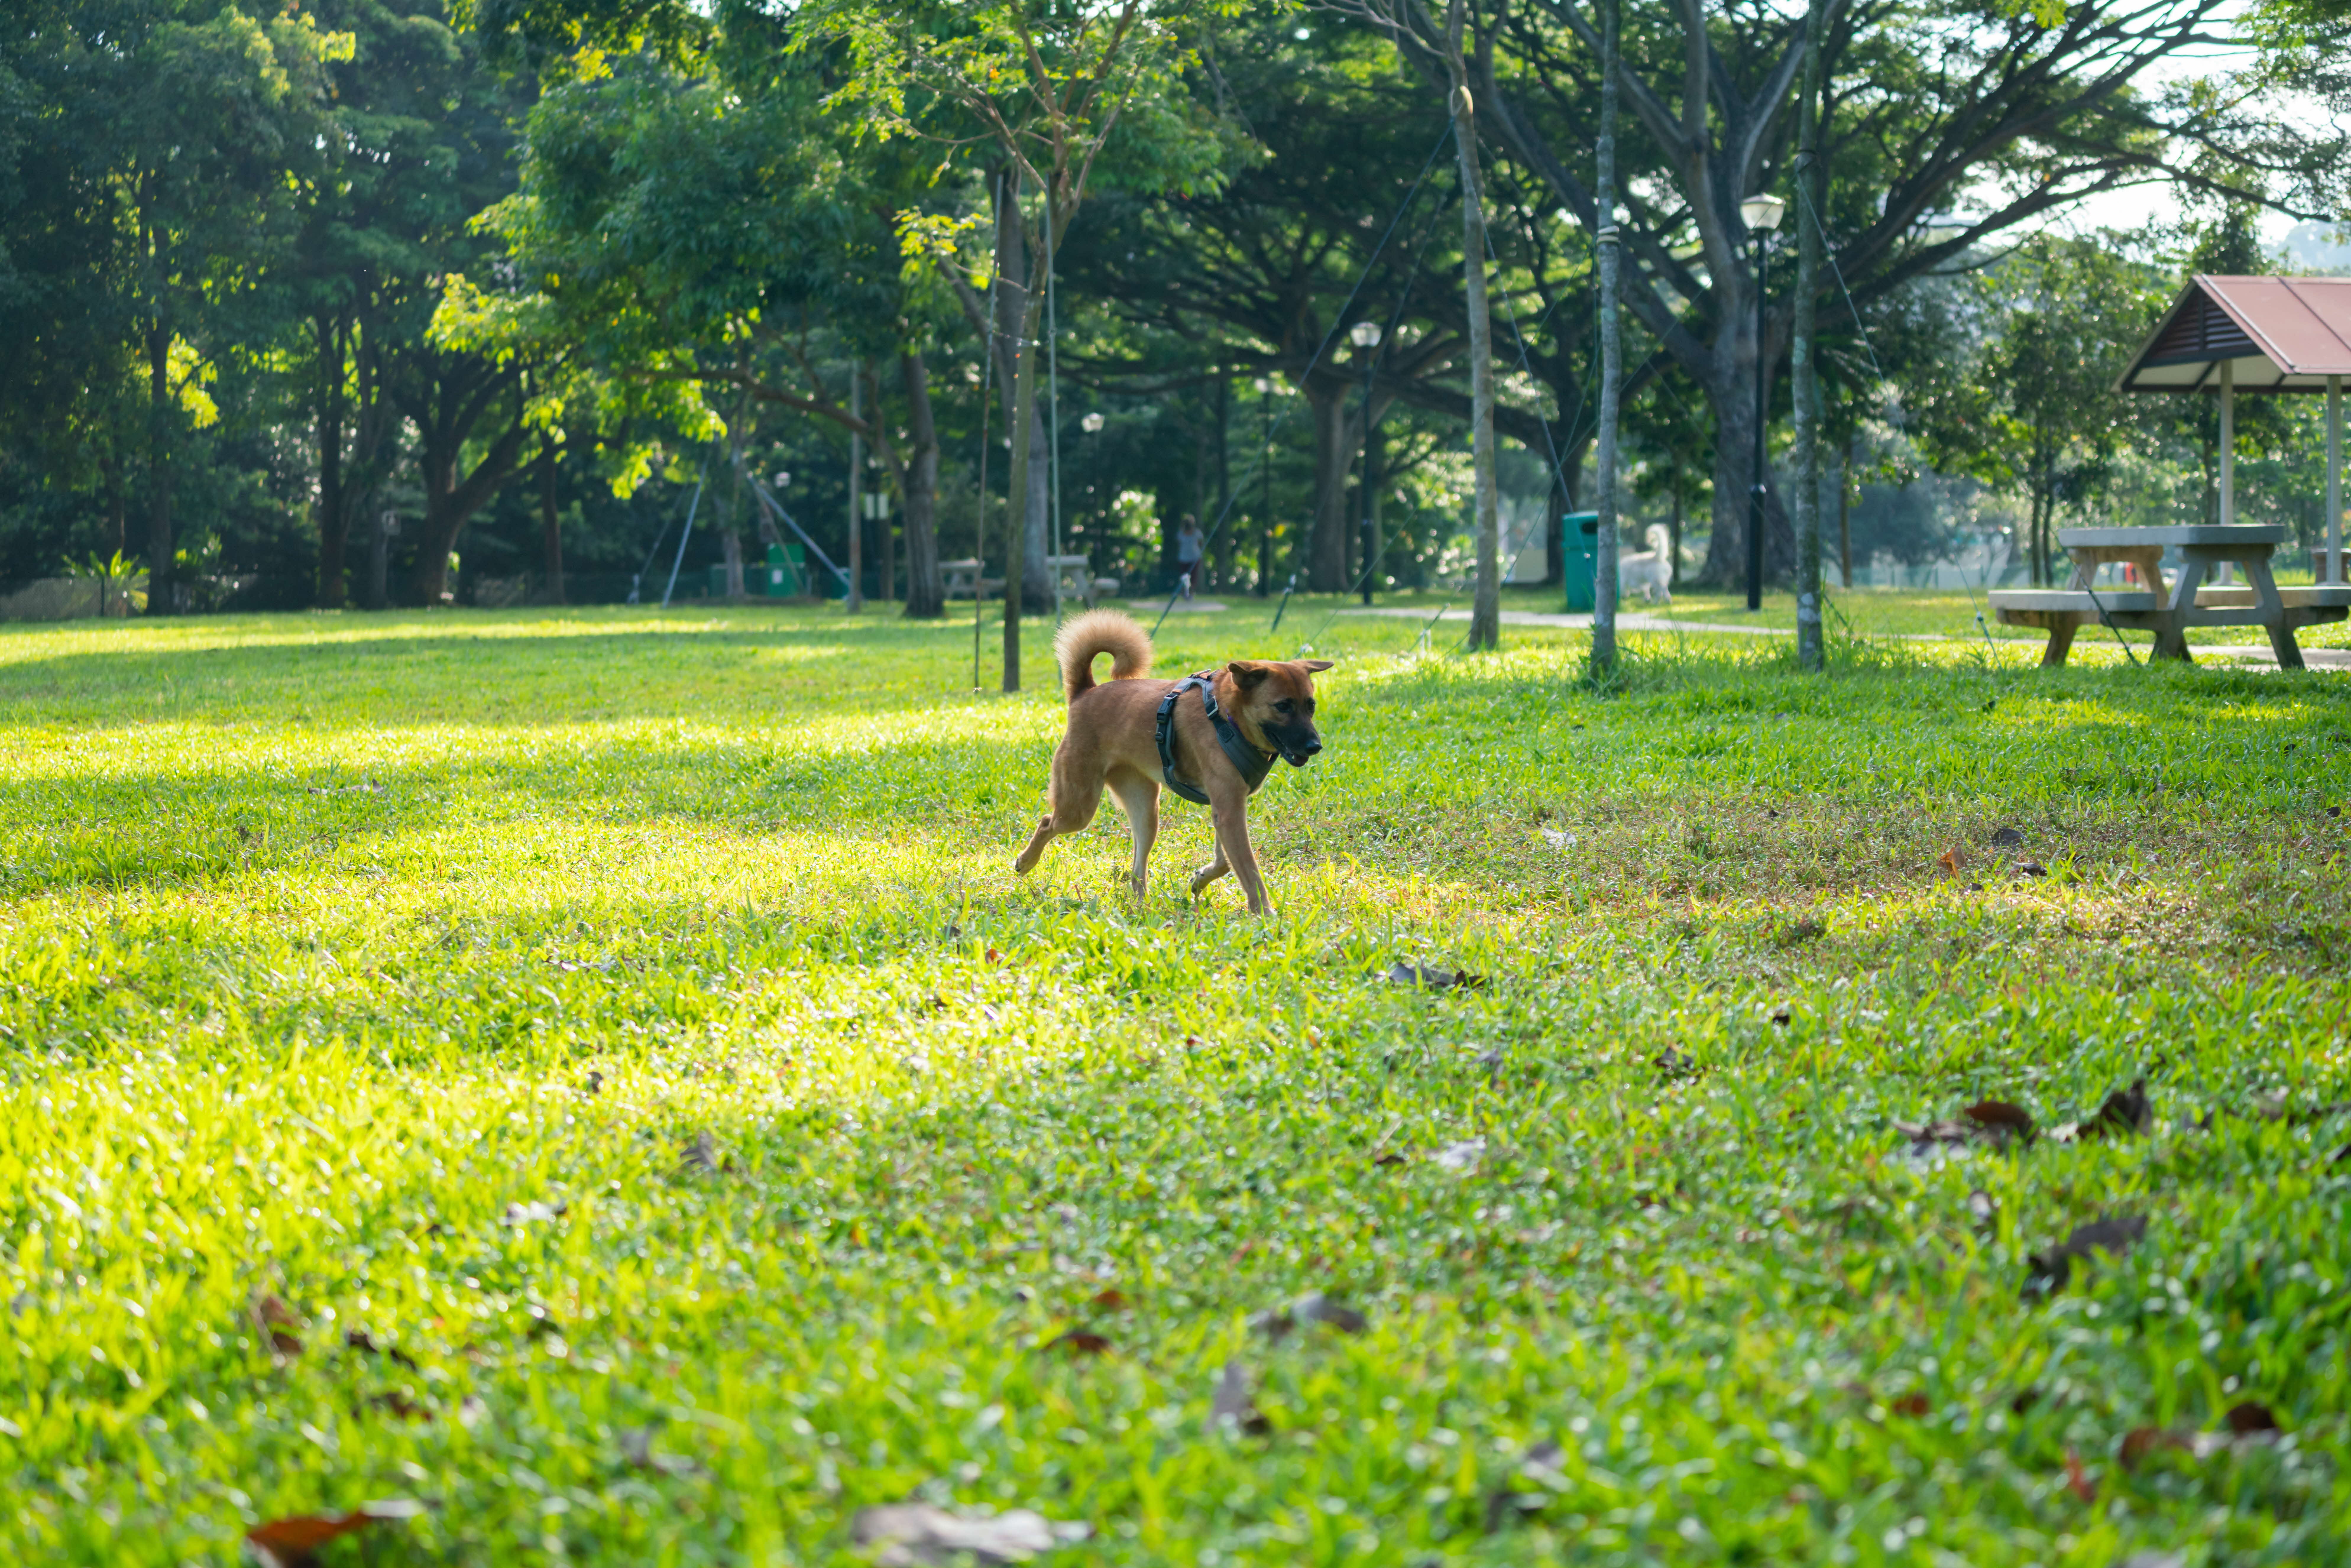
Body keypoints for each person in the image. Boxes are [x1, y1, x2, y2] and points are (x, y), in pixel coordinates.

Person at [1175, 515, 1206, 598]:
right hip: (1183, 558)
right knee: (1184, 576)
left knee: (1194, 577)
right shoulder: (1181, 533)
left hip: (1195, 558)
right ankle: (1184, 592)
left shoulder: (1197, 533)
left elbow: (1200, 544)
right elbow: (1179, 544)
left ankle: (1191, 593)